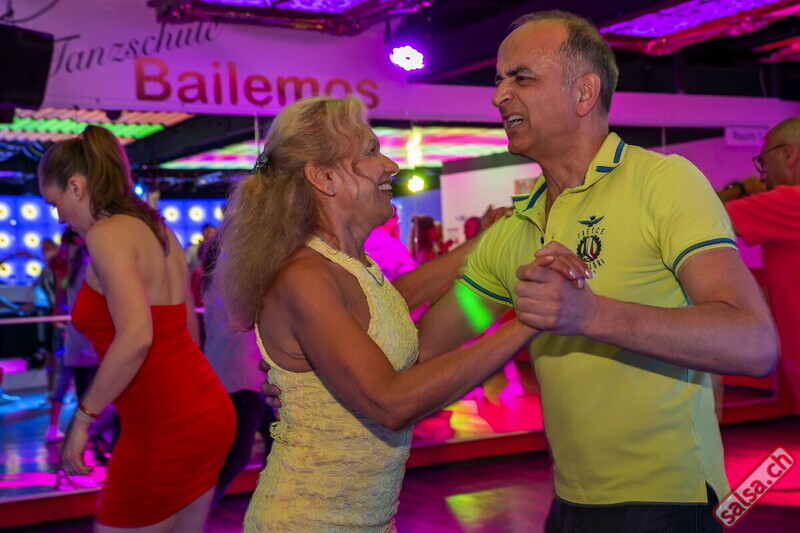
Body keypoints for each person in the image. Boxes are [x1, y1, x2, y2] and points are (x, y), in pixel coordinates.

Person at [410, 11, 777, 532]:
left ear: (584, 93)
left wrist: (590, 314)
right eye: (499, 80)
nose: (498, 96)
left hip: (669, 502)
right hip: (569, 502)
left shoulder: (661, 182)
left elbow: (754, 343)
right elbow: (425, 347)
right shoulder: (516, 228)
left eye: (521, 78)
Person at [215, 96, 586, 532]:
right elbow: (390, 403)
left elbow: (396, 311)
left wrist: (484, 247)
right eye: (371, 151)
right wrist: (530, 320)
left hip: (367, 519)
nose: (390, 166)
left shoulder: (352, 266)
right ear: (325, 177)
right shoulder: (306, 277)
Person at [38, 125, 235, 532]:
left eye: (55, 203)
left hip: (166, 424)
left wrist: (82, 419)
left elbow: (136, 336)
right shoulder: (158, 229)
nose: (59, 217)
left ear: (75, 187)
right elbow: (189, 331)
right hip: (205, 408)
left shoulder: (106, 233)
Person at [717, 117, 800, 412]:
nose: (762, 177)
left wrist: (740, 188)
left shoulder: (789, 200)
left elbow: (697, 218)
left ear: (788, 154)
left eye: (763, 163)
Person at [200, 236, 276, 509]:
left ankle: (272, 505)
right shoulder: (236, 280)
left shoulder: (216, 280)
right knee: (236, 457)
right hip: (240, 376)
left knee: (276, 438)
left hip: (233, 373)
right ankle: (196, 514)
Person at [363, 205, 415, 282]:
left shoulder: (358, 242)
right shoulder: (395, 247)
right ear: (392, 219)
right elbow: (411, 281)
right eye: (398, 222)